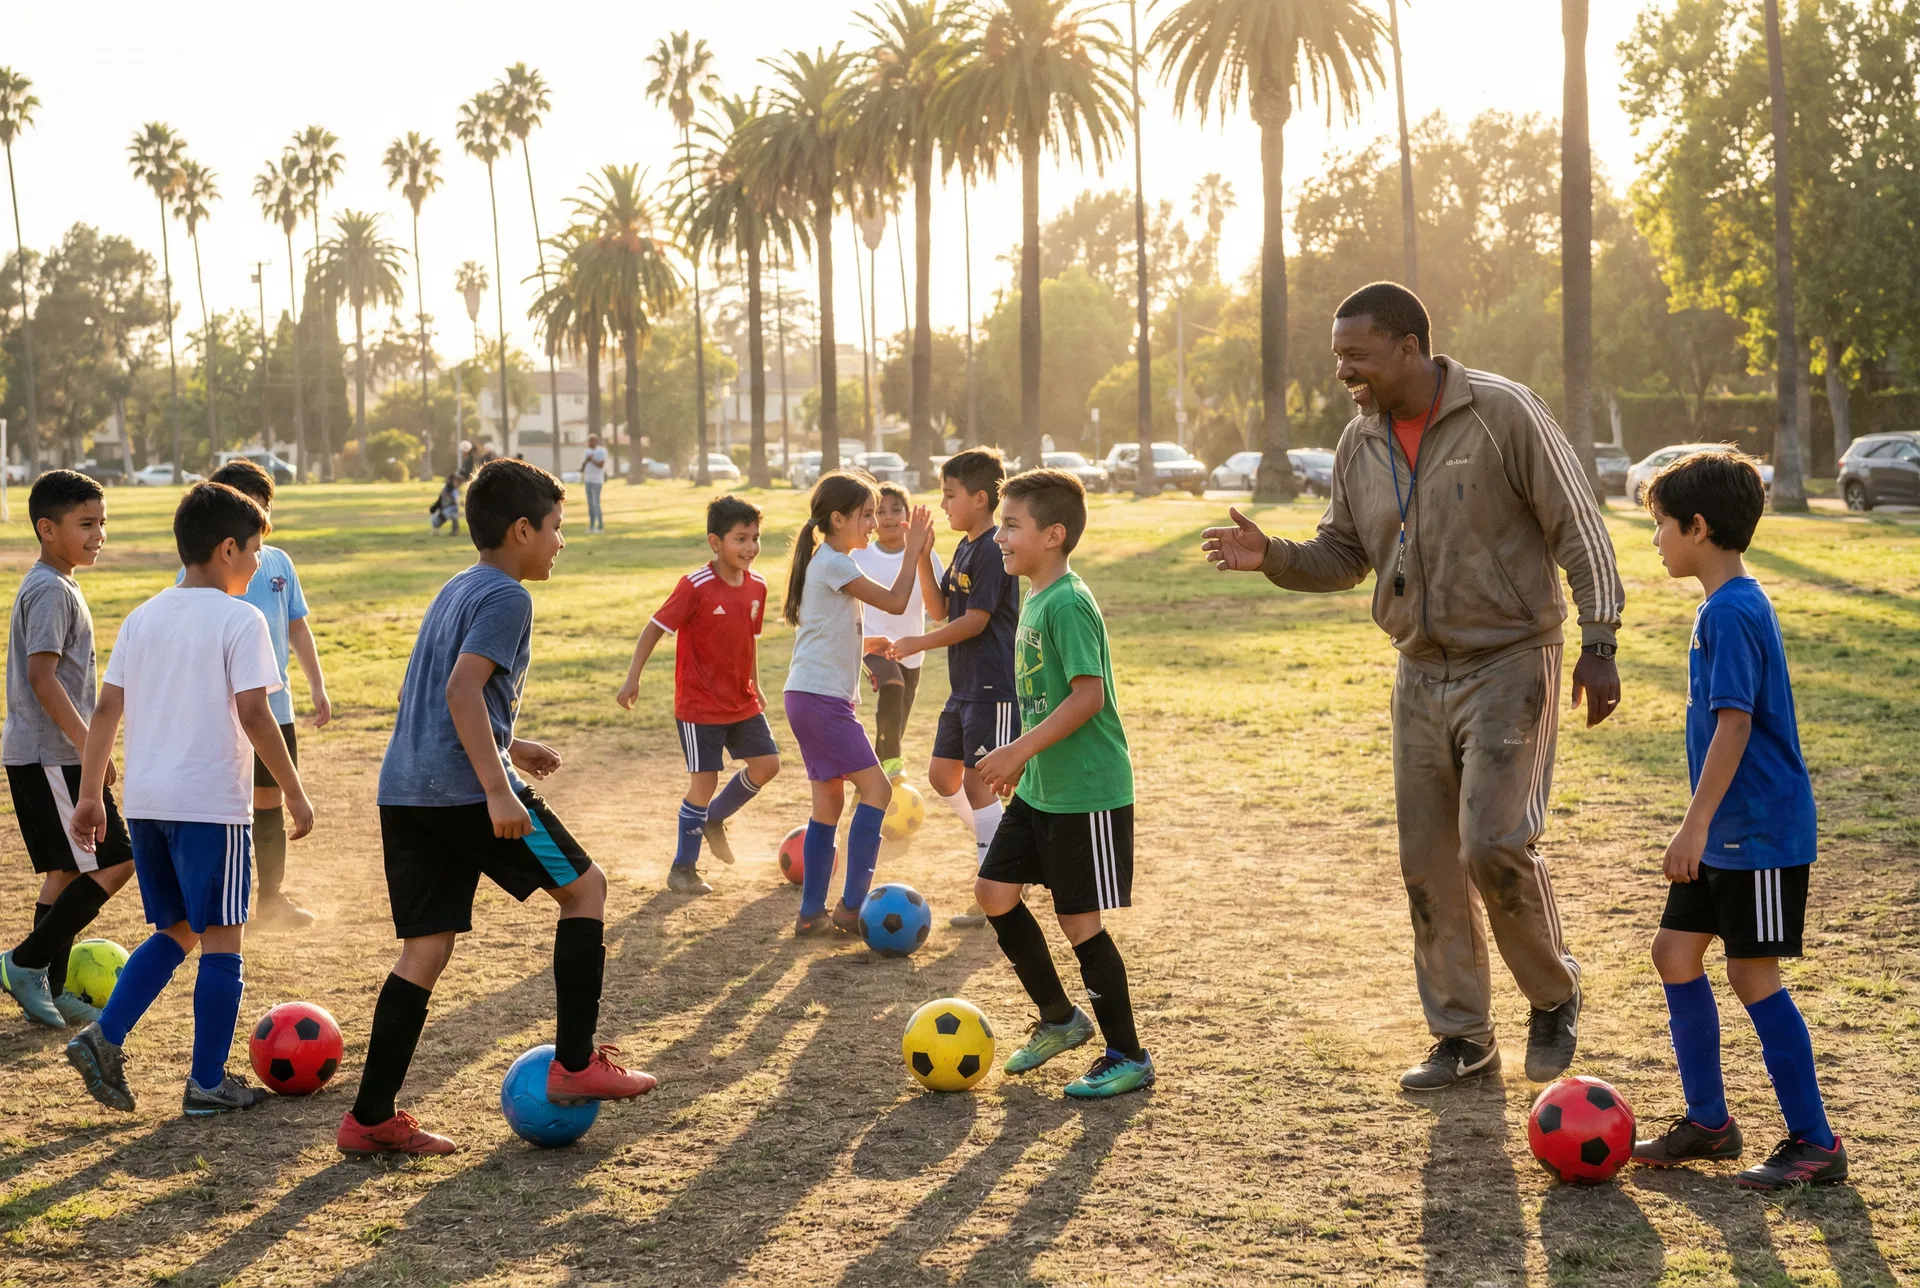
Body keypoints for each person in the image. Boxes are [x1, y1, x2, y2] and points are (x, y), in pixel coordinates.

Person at [1202, 281, 1624, 1091]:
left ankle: (1554, 992)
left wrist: (1599, 640)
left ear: (1408, 346)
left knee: (1494, 843)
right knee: (1428, 864)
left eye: (1355, 355)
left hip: (1511, 660)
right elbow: (1345, 553)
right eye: (1336, 356)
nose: (1342, 371)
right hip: (1419, 671)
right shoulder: (1359, 442)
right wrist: (1276, 557)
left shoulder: (1503, 413)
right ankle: (1462, 1037)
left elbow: (1580, 525)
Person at [339, 459, 654, 1156]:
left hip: (406, 793)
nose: (561, 543)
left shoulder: (462, 584)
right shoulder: (510, 597)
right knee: (587, 889)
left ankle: (368, 1119)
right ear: (521, 530)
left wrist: (512, 747)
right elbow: (459, 692)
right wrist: (497, 788)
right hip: (463, 796)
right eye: (556, 529)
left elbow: (450, 700)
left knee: (425, 949)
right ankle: (575, 1064)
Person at [1630, 450, 1845, 1189]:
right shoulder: (1722, 605)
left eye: (1660, 524)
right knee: (1674, 953)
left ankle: (1816, 1143)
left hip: (1756, 834)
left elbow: (1735, 725)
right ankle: (1710, 1123)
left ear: (1698, 525)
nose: (1655, 539)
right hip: (1726, 831)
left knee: (1753, 975)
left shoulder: (1731, 609)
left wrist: (1693, 827)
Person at [63, 482, 314, 1116]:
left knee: (177, 928)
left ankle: (104, 1034)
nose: (260, 564)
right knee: (224, 936)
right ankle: (206, 1083)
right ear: (228, 548)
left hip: (148, 804)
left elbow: (106, 708)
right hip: (210, 806)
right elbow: (257, 714)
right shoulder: (241, 619)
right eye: (256, 550)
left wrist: (91, 796)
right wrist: (293, 791)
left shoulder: (144, 615)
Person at [975, 468, 1153, 1098]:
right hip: (1041, 787)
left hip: (1086, 790)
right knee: (994, 892)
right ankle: (1059, 1018)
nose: (999, 536)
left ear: (1053, 535)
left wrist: (1018, 748)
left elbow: (1087, 698)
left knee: (1080, 921)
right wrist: (1022, 762)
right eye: (1000, 524)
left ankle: (1127, 1055)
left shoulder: (1070, 602)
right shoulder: (1037, 597)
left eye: (1011, 525)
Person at [0, 471, 136, 1028]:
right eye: (86, 524)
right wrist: (91, 749)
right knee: (120, 859)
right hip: (52, 754)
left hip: (46, 753)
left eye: (102, 522)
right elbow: (42, 677)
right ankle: (24, 963)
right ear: (46, 529)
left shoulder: (57, 582)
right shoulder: (52, 589)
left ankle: (49, 991)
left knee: (62, 869)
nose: (98, 533)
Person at [781, 471, 933, 937]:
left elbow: (829, 628)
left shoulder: (826, 560)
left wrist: (869, 644)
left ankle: (810, 914)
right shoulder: (835, 563)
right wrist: (913, 552)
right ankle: (849, 908)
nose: (872, 524)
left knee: (828, 803)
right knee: (879, 792)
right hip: (821, 702)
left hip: (807, 696)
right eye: (866, 515)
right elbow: (895, 598)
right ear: (837, 518)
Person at [616, 495, 781, 895]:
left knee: (767, 765)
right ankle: (683, 868)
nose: (750, 548)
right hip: (699, 707)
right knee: (702, 785)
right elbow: (654, 628)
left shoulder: (758, 585)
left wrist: (755, 685)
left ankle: (714, 818)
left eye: (755, 538)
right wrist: (632, 678)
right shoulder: (695, 586)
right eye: (740, 538)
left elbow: (751, 639)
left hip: (741, 701)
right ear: (715, 542)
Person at [890, 449, 1021, 929]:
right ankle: (1006, 849)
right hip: (963, 688)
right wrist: (923, 556)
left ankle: (996, 884)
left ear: (980, 498)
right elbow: (942, 608)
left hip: (992, 685)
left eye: (950, 495)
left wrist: (918, 642)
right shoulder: (966, 545)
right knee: (943, 777)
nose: (942, 504)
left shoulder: (991, 547)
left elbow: (975, 621)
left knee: (977, 782)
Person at [197, 459, 331, 928]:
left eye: (264, 505)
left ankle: (270, 898)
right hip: (225, 708)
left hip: (274, 706)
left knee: (270, 800)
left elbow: (297, 625)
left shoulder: (277, 562)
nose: (259, 514)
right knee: (227, 803)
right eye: (248, 504)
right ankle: (218, 901)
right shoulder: (204, 568)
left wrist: (316, 682)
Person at [851, 481, 945, 781]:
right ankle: (891, 769)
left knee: (895, 725)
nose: (888, 517)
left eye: (896, 509)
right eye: (880, 511)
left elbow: (938, 610)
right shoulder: (859, 556)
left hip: (912, 652)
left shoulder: (927, 556)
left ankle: (871, 785)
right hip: (872, 645)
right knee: (893, 685)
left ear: (908, 515)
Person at [579, 434, 609, 532]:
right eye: (589, 441)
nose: (590, 443)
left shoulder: (601, 451)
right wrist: (586, 461)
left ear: (596, 441)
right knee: (590, 504)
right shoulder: (586, 452)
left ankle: (600, 525)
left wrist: (592, 459)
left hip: (597, 481)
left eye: (592, 441)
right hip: (588, 480)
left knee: (596, 503)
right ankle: (592, 526)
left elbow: (601, 465)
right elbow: (583, 467)